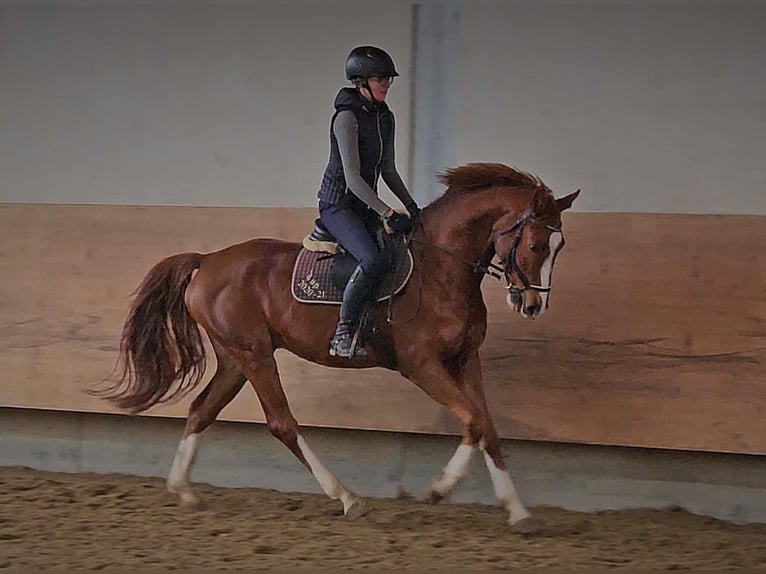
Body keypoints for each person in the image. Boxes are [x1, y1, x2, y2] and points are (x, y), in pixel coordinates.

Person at [317, 45, 420, 359]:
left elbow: (387, 168)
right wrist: (387, 211)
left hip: (363, 205)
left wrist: (411, 206)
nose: (387, 84)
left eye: (389, 79)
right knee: (372, 260)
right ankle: (343, 332)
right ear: (361, 82)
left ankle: (373, 324)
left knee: (396, 252)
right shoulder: (346, 119)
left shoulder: (384, 118)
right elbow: (353, 179)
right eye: (381, 79)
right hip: (338, 205)